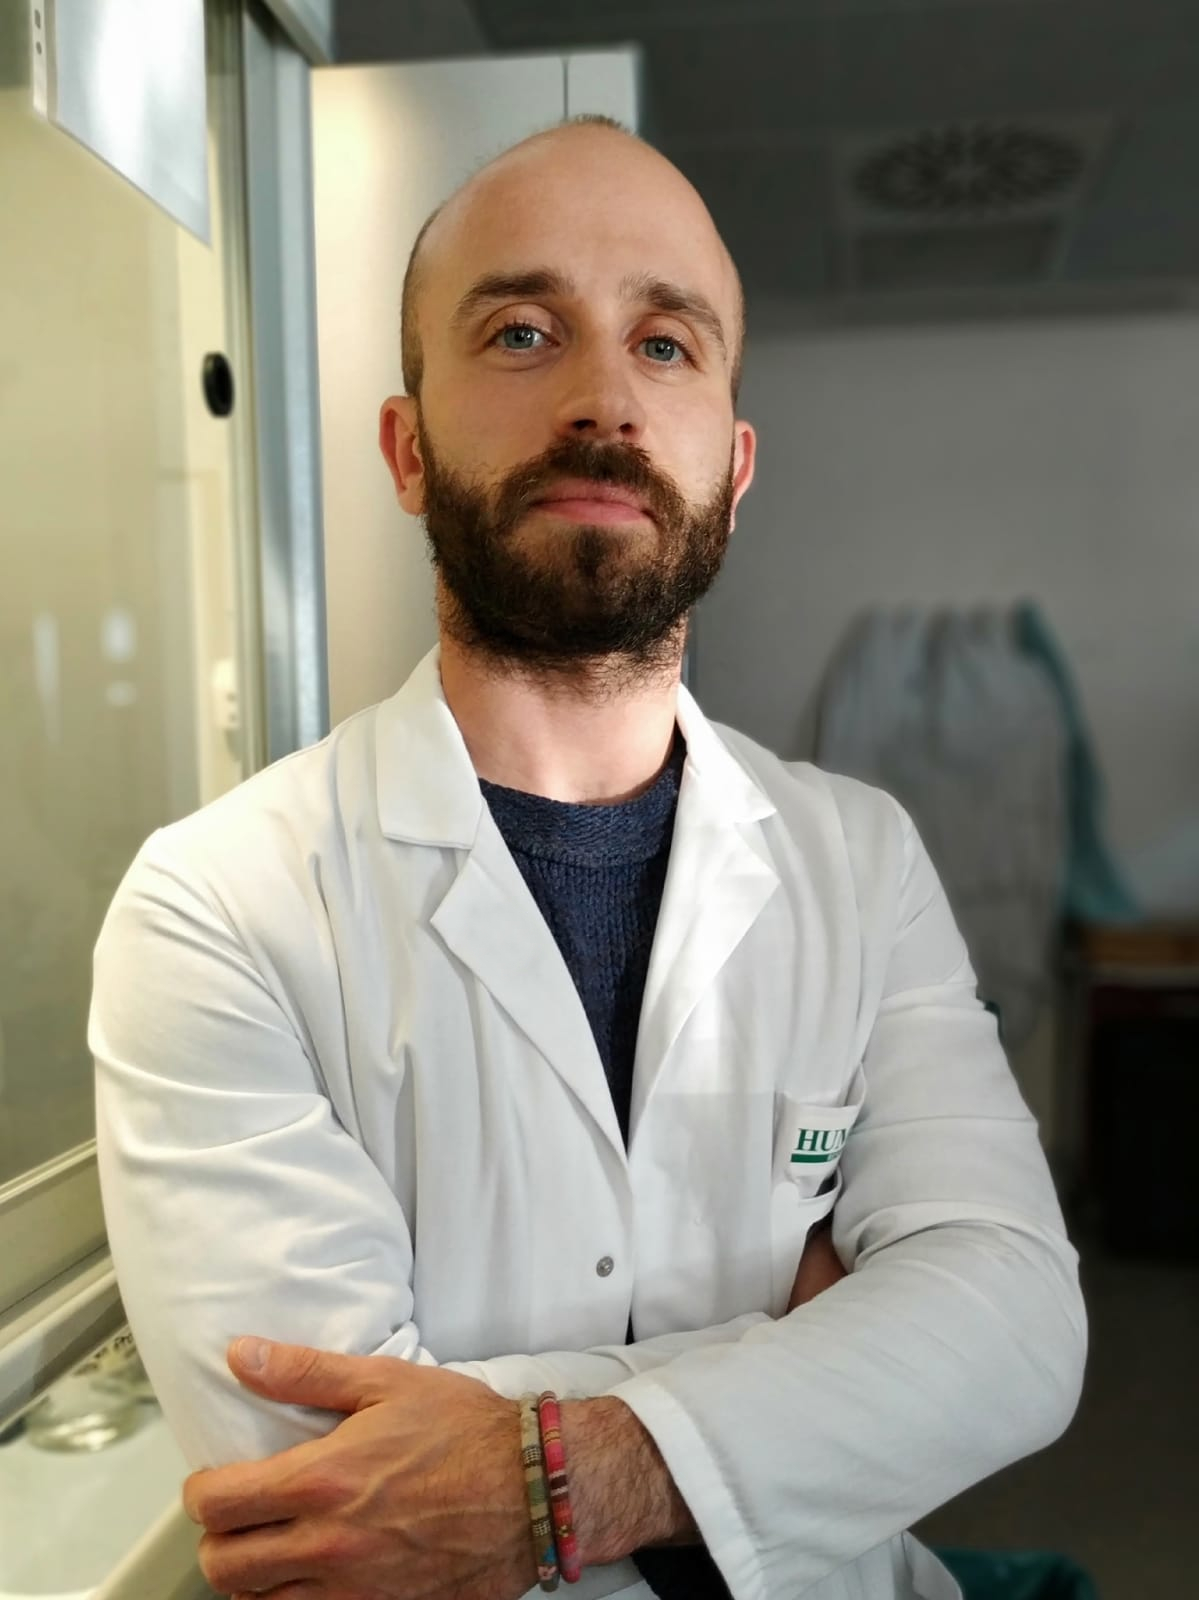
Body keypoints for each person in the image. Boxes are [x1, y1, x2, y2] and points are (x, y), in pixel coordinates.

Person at [89, 115, 1086, 1600]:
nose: (604, 399)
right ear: (407, 450)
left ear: (732, 467)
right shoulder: (213, 906)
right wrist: (820, 1353)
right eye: (522, 331)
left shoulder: (858, 860)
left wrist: (547, 1478)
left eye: (665, 345)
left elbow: (1013, 1328)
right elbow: (327, 1494)